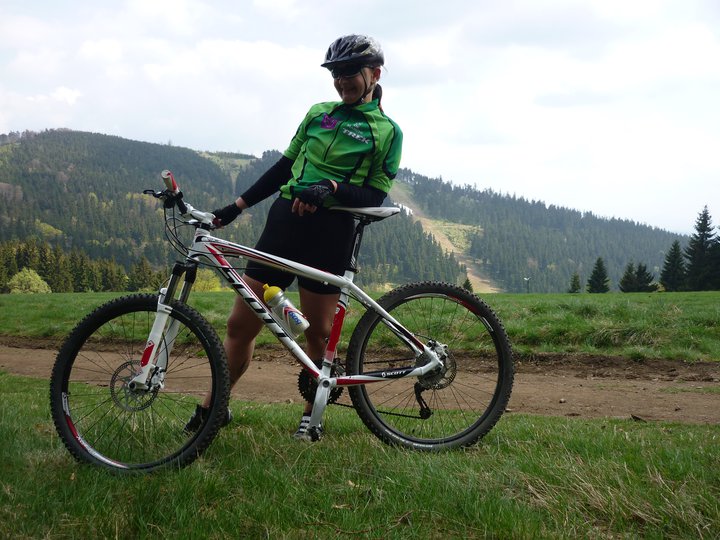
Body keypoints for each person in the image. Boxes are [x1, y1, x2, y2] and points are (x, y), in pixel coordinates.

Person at [185, 34, 403, 440]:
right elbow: (285, 168)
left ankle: (311, 414)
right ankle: (214, 407)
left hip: (330, 231)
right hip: (284, 223)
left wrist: (330, 189)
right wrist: (236, 207)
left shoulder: (387, 131)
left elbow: (375, 194)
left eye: (350, 72)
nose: (342, 81)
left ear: (374, 74)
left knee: (317, 333)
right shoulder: (319, 114)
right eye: (336, 73)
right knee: (240, 324)